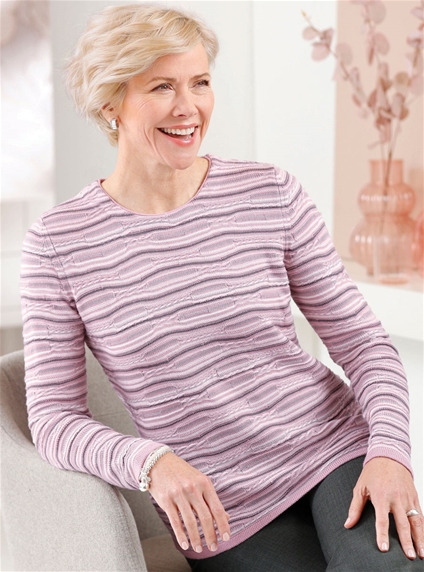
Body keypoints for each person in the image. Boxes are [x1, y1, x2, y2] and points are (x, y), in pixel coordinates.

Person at [20, 4, 423, 571]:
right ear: (110, 102)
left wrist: (390, 453)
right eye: (162, 86)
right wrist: (151, 463)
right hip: (220, 506)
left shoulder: (270, 193)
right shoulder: (59, 244)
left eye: (201, 82)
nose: (188, 107)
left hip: (334, 450)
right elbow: (54, 420)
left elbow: (364, 344)